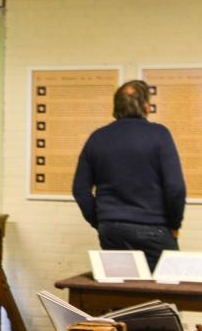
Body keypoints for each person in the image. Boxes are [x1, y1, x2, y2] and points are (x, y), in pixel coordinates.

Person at [72, 79, 187, 271]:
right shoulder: (159, 135)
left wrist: (101, 221)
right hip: (154, 228)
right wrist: (175, 225)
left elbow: (80, 190)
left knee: (120, 285)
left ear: (116, 107)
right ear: (146, 107)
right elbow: (175, 188)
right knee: (165, 285)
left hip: (111, 229)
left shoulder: (97, 138)